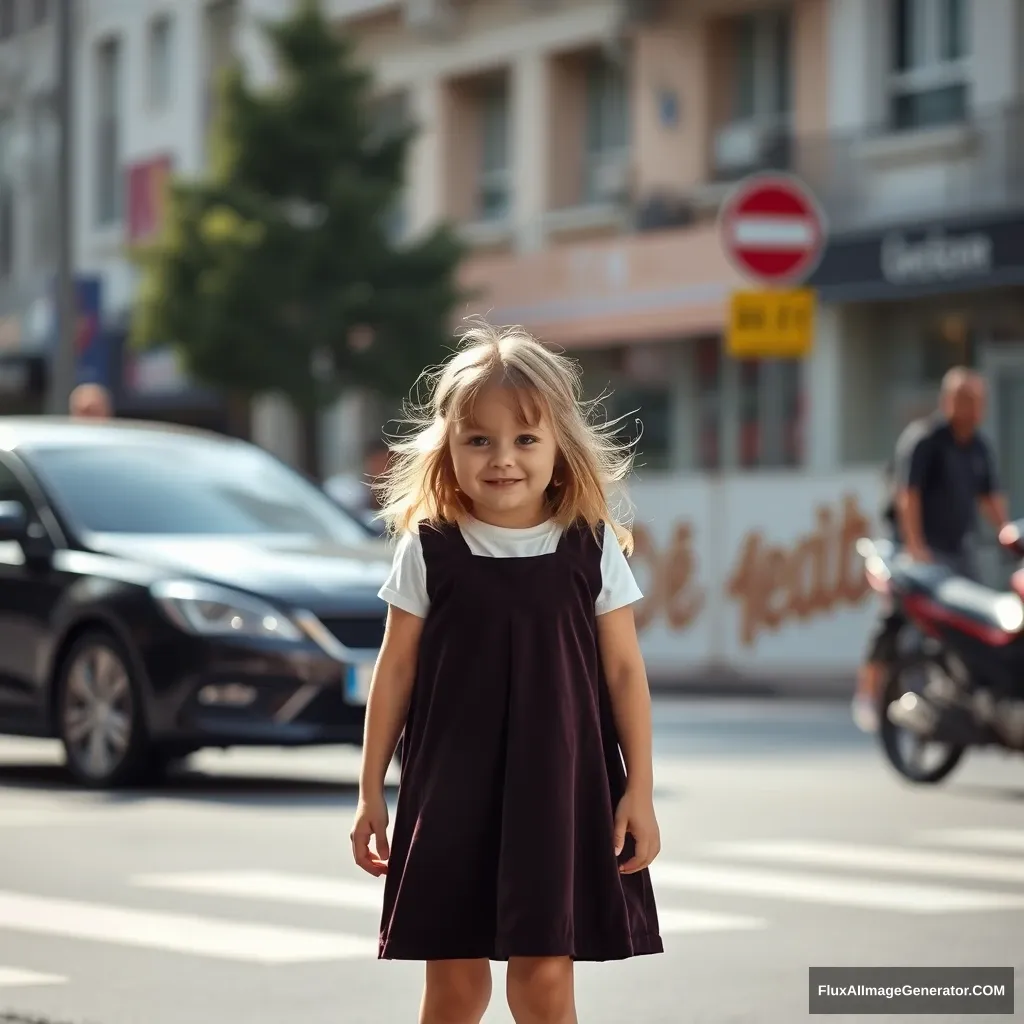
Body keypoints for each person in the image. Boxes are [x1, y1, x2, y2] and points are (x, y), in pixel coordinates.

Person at [350, 320, 663, 1023]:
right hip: (449, 791)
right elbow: (395, 670)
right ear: (449, 448)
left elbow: (623, 674)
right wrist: (371, 791)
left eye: (526, 439)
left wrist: (638, 790)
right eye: (479, 440)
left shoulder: (590, 546)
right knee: (455, 990)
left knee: (545, 984)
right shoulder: (429, 548)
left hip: (559, 790)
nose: (503, 459)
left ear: (559, 448)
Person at [852, 367, 1011, 732]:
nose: (971, 409)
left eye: (977, 401)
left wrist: (1006, 533)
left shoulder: (978, 447)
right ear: (948, 401)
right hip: (916, 551)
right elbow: (908, 494)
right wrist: (915, 546)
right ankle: (868, 691)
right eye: (964, 400)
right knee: (895, 620)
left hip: (958, 548)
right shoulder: (925, 439)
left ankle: (970, 697)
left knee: (978, 623)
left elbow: (991, 497)